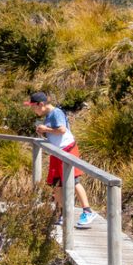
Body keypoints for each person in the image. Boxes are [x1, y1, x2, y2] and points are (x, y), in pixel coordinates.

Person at [28, 91, 95, 228]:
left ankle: (87, 211)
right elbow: (55, 134)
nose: (32, 109)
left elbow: (62, 130)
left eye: (33, 106)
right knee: (57, 184)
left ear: (41, 104)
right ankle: (62, 214)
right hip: (58, 152)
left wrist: (45, 128)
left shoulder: (56, 112)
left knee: (74, 181)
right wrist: (43, 132)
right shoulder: (49, 115)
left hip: (67, 150)